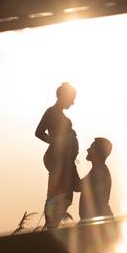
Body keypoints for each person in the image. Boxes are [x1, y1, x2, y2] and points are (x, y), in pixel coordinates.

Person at [35, 82, 81, 229]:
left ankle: (52, 225)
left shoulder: (59, 114)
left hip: (64, 160)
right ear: (64, 97)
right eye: (71, 99)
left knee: (63, 194)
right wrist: (55, 141)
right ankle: (51, 226)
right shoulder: (51, 112)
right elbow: (38, 132)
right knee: (59, 194)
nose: (72, 103)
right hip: (58, 159)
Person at [79, 137, 113, 220]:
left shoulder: (99, 172)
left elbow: (78, 186)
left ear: (97, 152)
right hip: (97, 219)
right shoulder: (98, 170)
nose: (88, 150)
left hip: (98, 220)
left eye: (91, 148)